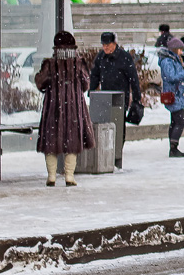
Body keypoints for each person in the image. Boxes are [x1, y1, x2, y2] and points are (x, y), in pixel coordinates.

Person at [34, 31, 95, 186]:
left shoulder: (50, 64)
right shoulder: (78, 63)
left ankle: (52, 176)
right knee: (72, 143)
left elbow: (40, 83)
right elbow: (86, 84)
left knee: (51, 143)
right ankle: (69, 176)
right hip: (74, 108)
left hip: (53, 107)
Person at [89, 31, 143, 159]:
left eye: (108, 45)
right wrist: (92, 91)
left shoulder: (124, 57)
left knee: (118, 125)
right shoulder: (101, 57)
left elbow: (133, 79)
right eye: (103, 45)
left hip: (120, 98)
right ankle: (106, 149)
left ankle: (117, 150)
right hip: (104, 97)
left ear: (114, 44)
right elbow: (95, 74)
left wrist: (136, 98)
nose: (105, 47)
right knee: (104, 124)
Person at [159, 37, 184, 158]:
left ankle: (173, 147)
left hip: (176, 95)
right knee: (180, 122)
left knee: (174, 122)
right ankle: (173, 148)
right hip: (173, 95)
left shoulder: (173, 59)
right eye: (180, 49)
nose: (181, 52)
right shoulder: (168, 61)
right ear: (174, 49)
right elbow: (172, 77)